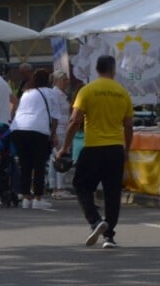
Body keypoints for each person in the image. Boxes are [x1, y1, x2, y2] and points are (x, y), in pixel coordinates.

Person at [56, 54, 133, 249]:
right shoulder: (122, 92)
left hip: (93, 147)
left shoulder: (87, 91)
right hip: (115, 148)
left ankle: (95, 220)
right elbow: (129, 125)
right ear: (113, 70)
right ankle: (109, 237)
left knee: (81, 185)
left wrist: (65, 147)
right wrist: (127, 149)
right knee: (112, 192)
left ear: (96, 70)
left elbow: (74, 121)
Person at [9, 68, 56, 210]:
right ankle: (37, 198)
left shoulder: (26, 92)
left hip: (18, 129)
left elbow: (16, 111)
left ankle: (25, 198)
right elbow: (55, 118)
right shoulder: (51, 93)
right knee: (39, 165)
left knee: (25, 164)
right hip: (38, 130)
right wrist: (53, 135)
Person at [46, 70, 74, 199]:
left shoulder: (62, 94)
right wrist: (54, 133)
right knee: (62, 158)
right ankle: (59, 188)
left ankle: (54, 187)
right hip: (60, 130)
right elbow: (54, 114)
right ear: (57, 81)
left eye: (67, 79)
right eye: (64, 80)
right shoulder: (55, 94)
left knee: (56, 159)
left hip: (64, 128)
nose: (66, 82)